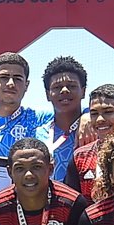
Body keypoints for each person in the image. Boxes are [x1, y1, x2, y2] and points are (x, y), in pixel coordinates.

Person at [67, 84, 114, 194]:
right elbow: (72, 203)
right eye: (94, 113)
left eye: (108, 112)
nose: (100, 119)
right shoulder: (80, 157)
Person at [40, 56, 88, 184]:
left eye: (71, 86)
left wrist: (88, 114)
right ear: (47, 94)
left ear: (83, 92)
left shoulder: (94, 130)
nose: (65, 90)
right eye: (57, 87)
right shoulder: (37, 133)